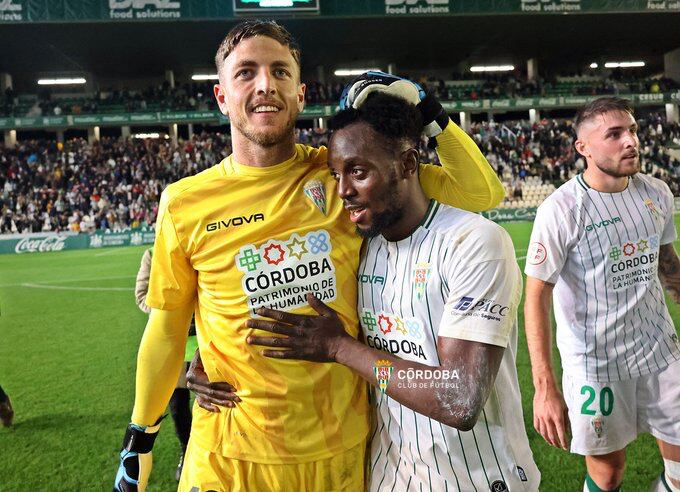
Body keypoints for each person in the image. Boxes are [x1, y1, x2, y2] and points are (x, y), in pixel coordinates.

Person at [114, 19, 505, 492]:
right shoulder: (184, 202)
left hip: (337, 451)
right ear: (221, 97)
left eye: (280, 72)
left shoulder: (342, 174)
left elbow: (480, 193)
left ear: (300, 94)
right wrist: (139, 439)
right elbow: (167, 328)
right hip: (229, 454)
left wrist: (428, 111)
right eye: (246, 73)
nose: (265, 85)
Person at [246, 92, 540, 490]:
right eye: (337, 175)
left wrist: (341, 347)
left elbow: (460, 397)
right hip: (391, 477)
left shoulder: (474, 242)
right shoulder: (362, 247)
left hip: (477, 478)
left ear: (407, 164)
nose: (343, 190)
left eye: (359, 172)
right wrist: (218, 363)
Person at [523, 97, 680, 492]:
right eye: (615, 134)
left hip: (661, 353)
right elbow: (536, 297)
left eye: (633, 131)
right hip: (596, 365)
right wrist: (545, 387)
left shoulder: (657, 192)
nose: (631, 141)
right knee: (608, 473)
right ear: (584, 148)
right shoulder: (560, 210)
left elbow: (668, 265)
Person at [134, 247, 197, 481]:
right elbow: (142, 294)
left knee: (210, 403)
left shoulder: (198, 245)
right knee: (178, 407)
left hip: (207, 342)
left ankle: (211, 455)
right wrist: (171, 314)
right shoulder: (153, 254)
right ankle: (187, 451)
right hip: (173, 345)